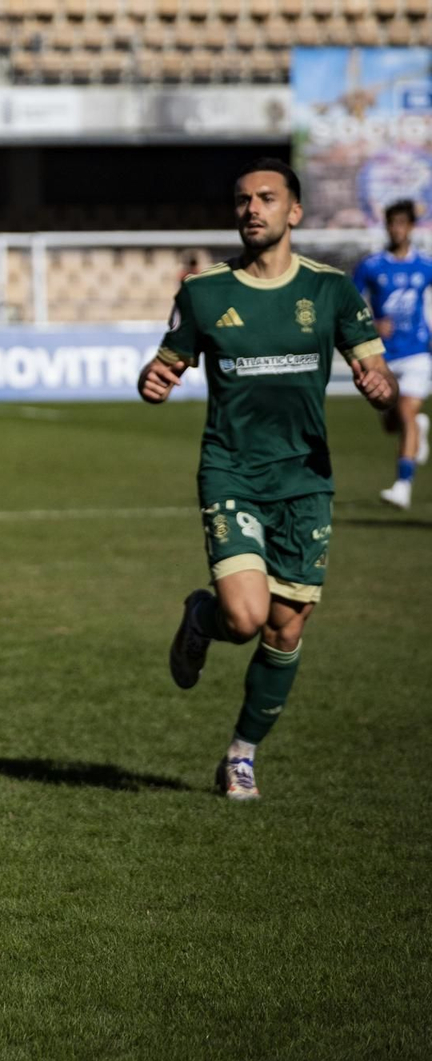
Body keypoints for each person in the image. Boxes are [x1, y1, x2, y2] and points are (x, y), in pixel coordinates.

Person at [138, 158, 395, 800]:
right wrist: (155, 379)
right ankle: (205, 615)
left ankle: (241, 756)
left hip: (306, 479)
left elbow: (378, 375)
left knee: (287, 627)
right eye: (243, 199)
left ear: (294, 212)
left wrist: (378, 385)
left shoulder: (332, 290)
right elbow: (165, 366)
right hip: (233, 470)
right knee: (247, 616)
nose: (252, 208)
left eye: (267, 198)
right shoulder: (203, 293)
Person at [352, 199, 432, 509]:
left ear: (411, 227)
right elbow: (351, 304)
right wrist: (372, 323)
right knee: (391, 422)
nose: (397, 229)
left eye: (402, 223)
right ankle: (418, 427)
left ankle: (403, 484)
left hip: (417, 353)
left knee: (407, 413)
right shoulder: (371, 266)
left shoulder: (425, 266)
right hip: (383, 356)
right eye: (392, 223)